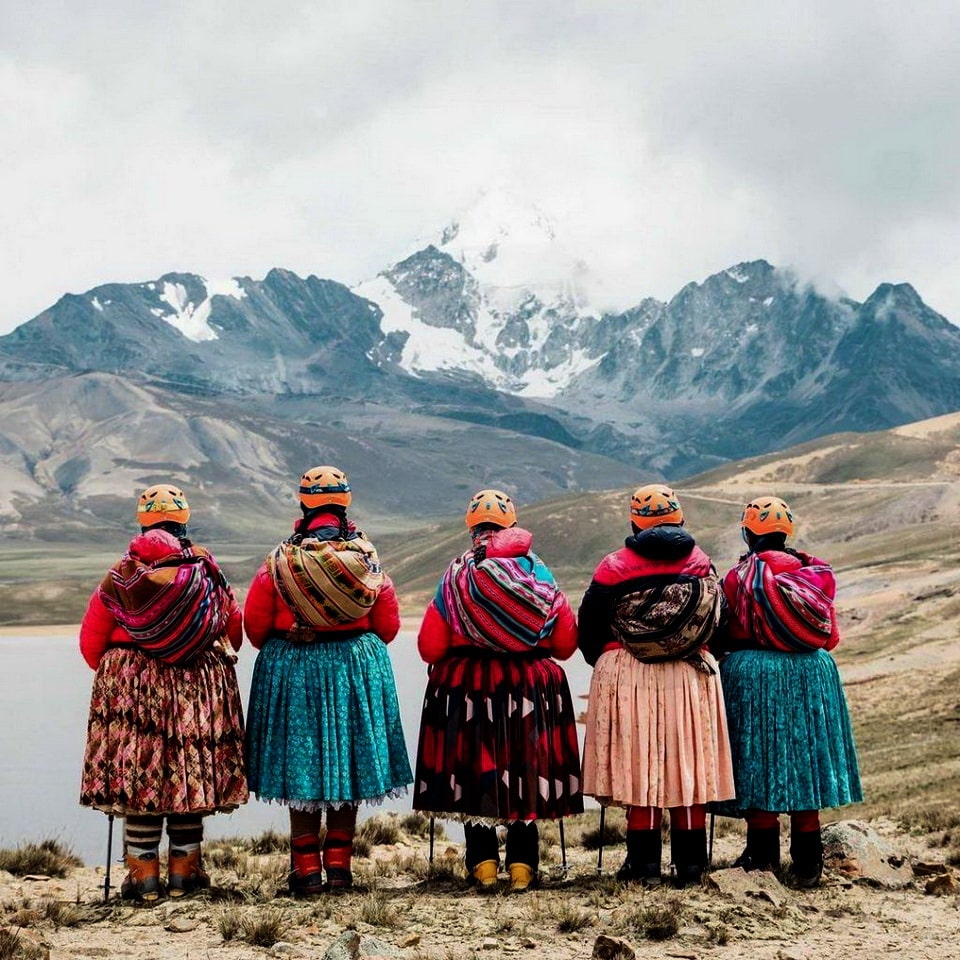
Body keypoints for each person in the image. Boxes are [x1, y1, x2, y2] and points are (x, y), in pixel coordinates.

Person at [243, 465, 412, 895]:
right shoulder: (366, 561)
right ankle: (339, 869)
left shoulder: (279, 562)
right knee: (350, 766)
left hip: (295, 668)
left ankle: (306, 872)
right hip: (353, 668)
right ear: (345, 504)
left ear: (303, 505)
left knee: (303, 774)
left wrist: (300, 631)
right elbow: (388, 625)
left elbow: (256, 629)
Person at [79, 483, 248, 902]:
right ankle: (184, 875)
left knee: (141, 778)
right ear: (183, 522)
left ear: (141, 524)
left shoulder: (120, 576)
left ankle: (143, 878)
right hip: (196, 686)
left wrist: (125, 672)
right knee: (187, 779)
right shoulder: (206, 571)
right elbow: (234, 629)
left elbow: (91, 644)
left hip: (133, 686)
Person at [413, 489, 583, 892]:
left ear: (472, 528)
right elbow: (564, 644)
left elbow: (430, 647)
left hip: (471, 688)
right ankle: (523, 867)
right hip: (529, 687)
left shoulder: (457, 576)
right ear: (513, 526)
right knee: (527, 772)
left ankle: (484, 865)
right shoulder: (541, 576)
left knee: (477, 772)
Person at [579, 484, 735, 887]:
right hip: (688, 673)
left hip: (629, 673)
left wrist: (611, 658)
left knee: (638, 768)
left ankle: (643, 867)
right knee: (688, 769)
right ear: (679, 518)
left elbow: (590, 631)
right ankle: (691, 867)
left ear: (635, 522)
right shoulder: (702, 564)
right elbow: (720, 624)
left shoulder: (614, 566)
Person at [715, 495, 862, 886]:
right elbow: (829, 638)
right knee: (806, 759)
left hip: (753, 674)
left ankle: (761, 855)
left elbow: (723, 631)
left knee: (758, 760)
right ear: (787, 533)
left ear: (748, 534)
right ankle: (808, 859)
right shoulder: (815, 577)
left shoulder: (736, 578)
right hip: (812, 673)